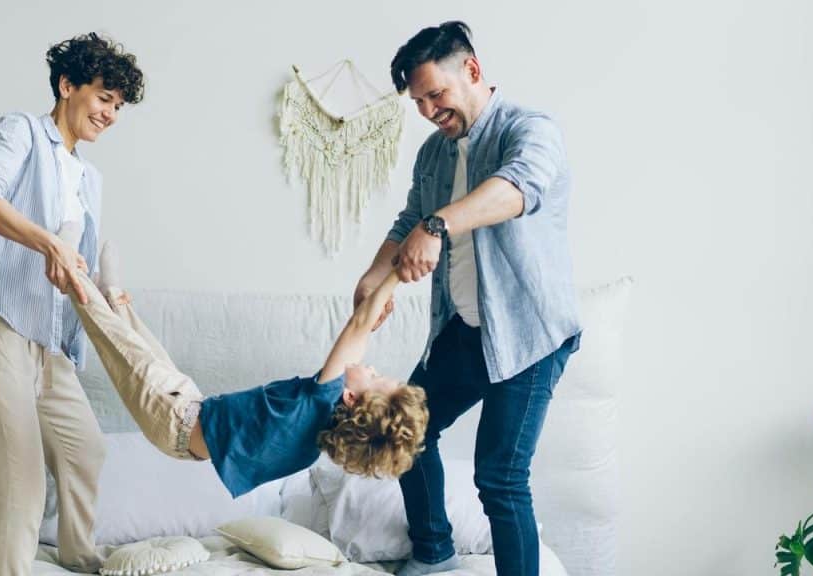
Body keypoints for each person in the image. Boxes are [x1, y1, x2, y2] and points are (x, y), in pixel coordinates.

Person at [352, 21, 582, 576]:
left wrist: (437, 227)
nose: (430, 110)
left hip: (530, 335)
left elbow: (515, 190)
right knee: (403, 432)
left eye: (437, 94)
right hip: (464, 330)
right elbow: (409, 219)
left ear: (472, 71)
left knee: (499, 476)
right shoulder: (434, 154)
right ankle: (434, 555)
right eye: (419, 101)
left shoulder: (530, 131)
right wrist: (372, 278)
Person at [0, 33, 144, 575]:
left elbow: (72, 264)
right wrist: (49, 242)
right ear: (67, 85)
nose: (111, 113)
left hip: (47, 338)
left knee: (85, 450)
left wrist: (108, 295)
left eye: (119, 106)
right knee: (21, 481)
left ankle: (81, 560)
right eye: (105, 97)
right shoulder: (22, 132)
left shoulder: (90, 178)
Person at [63, 257, 428, 499]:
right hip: (190, 415)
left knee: (122, 349)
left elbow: (358, 326)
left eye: (375, 375)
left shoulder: (319, 399)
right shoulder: (316, 437)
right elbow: (362, 335)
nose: (370, 365)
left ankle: (69, 272)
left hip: (177, 419)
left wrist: (397, 272)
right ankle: (112, 295)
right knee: (143, 349)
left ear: (350, 398)